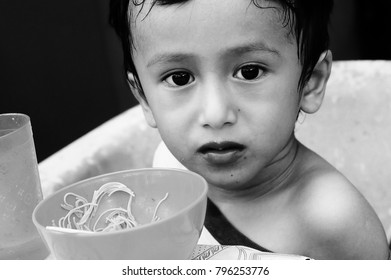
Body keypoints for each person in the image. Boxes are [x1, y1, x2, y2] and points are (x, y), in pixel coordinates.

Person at [109, 0, 390, 259]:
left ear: (311, 82)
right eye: (180, 78)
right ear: (143, 98)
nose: (216, 115)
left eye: (250, 72)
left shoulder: (332, 219)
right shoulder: (170, 171)